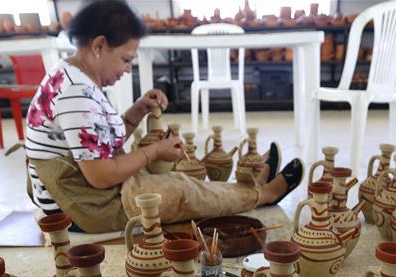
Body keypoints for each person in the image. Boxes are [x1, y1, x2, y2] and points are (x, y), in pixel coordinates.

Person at [24, 0, 303, 233]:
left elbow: (97, 144)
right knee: (183, 191)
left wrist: (137, 111)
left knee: (183, 183)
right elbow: (100, 175)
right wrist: (154, 152)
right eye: (125, 59)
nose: (127, 69)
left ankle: (249, 188)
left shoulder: (71, 75)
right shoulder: (77, 92)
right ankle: (264, 195)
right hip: (83, 208)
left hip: (80, 194)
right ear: (99, 46)